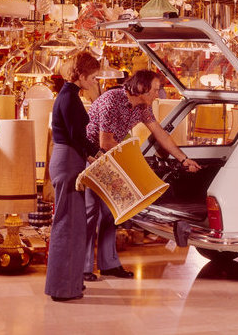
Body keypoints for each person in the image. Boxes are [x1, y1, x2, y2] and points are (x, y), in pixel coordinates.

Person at [83, 69, 200, 281]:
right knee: (90, 212)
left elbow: (160, 133)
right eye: (155, 90)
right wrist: (135, 167)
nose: (157, 94)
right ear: (141, 88)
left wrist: (183, 159)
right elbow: (105, 142)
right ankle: (83, 268)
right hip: (91, 157)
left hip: (112, 157)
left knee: (110, 213)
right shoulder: (112, 100)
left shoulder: (143, 107)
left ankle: (109, 265)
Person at [44, 52, 101, 302]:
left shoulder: (70, 95)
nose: (95, 82)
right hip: (67, 161)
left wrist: (92, 154)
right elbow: (77, 136)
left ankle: (71, 282)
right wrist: (93, 154)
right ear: (83, 75)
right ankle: (62, 288)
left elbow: (78, 136)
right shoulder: (68, 98)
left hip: (69, 159)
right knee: (68, 225)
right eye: (94, 77)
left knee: (74, 226)